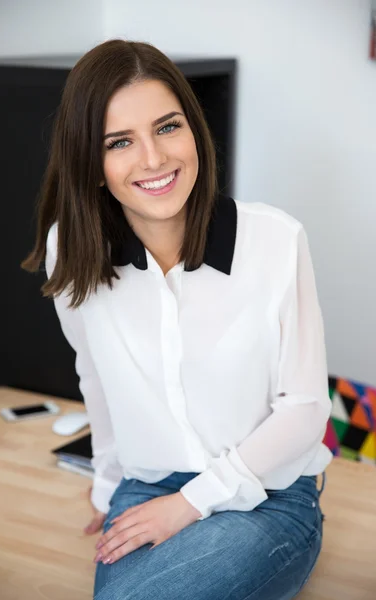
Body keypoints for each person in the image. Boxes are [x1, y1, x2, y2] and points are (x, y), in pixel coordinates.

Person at [22, 39, 333, 600]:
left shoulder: (275, 240)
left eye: (167, 127)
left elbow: (307, 412)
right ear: (90, 165)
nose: (153, 158)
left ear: (194, 132)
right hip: (147, 489)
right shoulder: (69, 248)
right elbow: (95, 379)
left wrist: (189, 505)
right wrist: (107, 489)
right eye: (119, 142)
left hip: (271, 492)